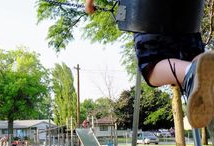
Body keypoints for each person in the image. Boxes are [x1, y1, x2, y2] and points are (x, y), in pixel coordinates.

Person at [85, 0, 214, 129]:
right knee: (195, 58)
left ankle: (191, 72)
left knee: (152, 65)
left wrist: (89, 4)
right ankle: (202, 75)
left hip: (149, 16)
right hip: (189, 16)